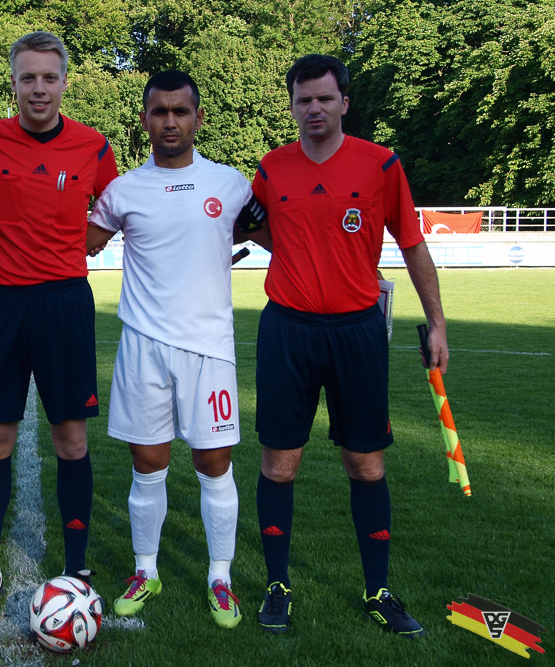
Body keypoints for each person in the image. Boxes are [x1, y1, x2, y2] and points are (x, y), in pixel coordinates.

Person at [252, 54, 448, 638]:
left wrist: (437, 323)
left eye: (324, 98)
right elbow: (249, 227)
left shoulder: (381, 164)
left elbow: (412, 245)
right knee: (279, 463)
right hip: (287, 329)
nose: (313, 108)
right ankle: (277, 586)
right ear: (292, 105)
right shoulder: (271, 168)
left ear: (344, 102)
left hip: (358, 331)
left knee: (365, 463)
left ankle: (378, 590)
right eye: (303, 100)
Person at [0, 31, 119, 618]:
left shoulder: (94, 146)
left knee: (71, 438)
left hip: (64, 305)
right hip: (0, 305)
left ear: (65, 82)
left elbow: (116, 211)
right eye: (28, 78)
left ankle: (77, 570)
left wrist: (84, 242)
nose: (39, 88)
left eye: (49, 77)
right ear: (14, 82)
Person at [87, 71, 267, 630]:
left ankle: (220, 578)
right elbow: (77, 246)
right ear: (144, 119)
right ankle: (146, 570)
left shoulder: (230, 184)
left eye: (180, 111)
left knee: (215, 465)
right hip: (142, 348)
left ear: (198, 118)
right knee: (148, 465)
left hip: (209, 351)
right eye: (159, 111)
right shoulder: (123, 190)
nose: (170, 121)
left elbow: (284, 239)